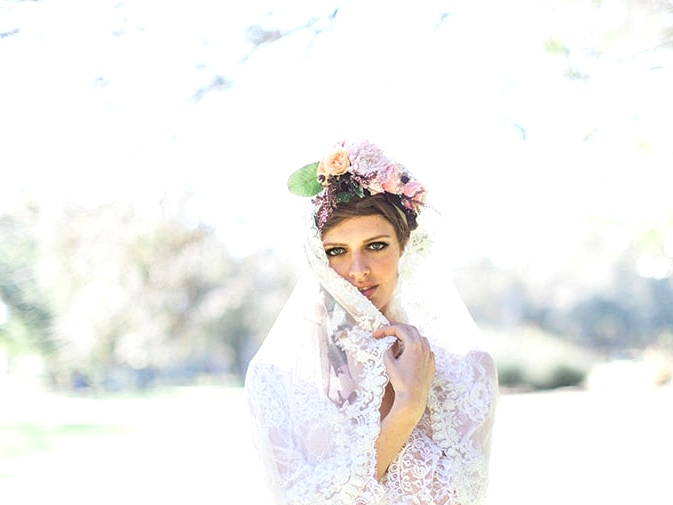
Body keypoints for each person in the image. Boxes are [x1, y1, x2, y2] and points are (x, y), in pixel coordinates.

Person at [244, 139, 498, 505]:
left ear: (403, 247)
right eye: (337, 252)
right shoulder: (275, 376)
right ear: (317, 258)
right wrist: (407, 408)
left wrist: (416, 397)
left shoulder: (467, 369)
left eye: (376, 246)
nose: (358, 270)